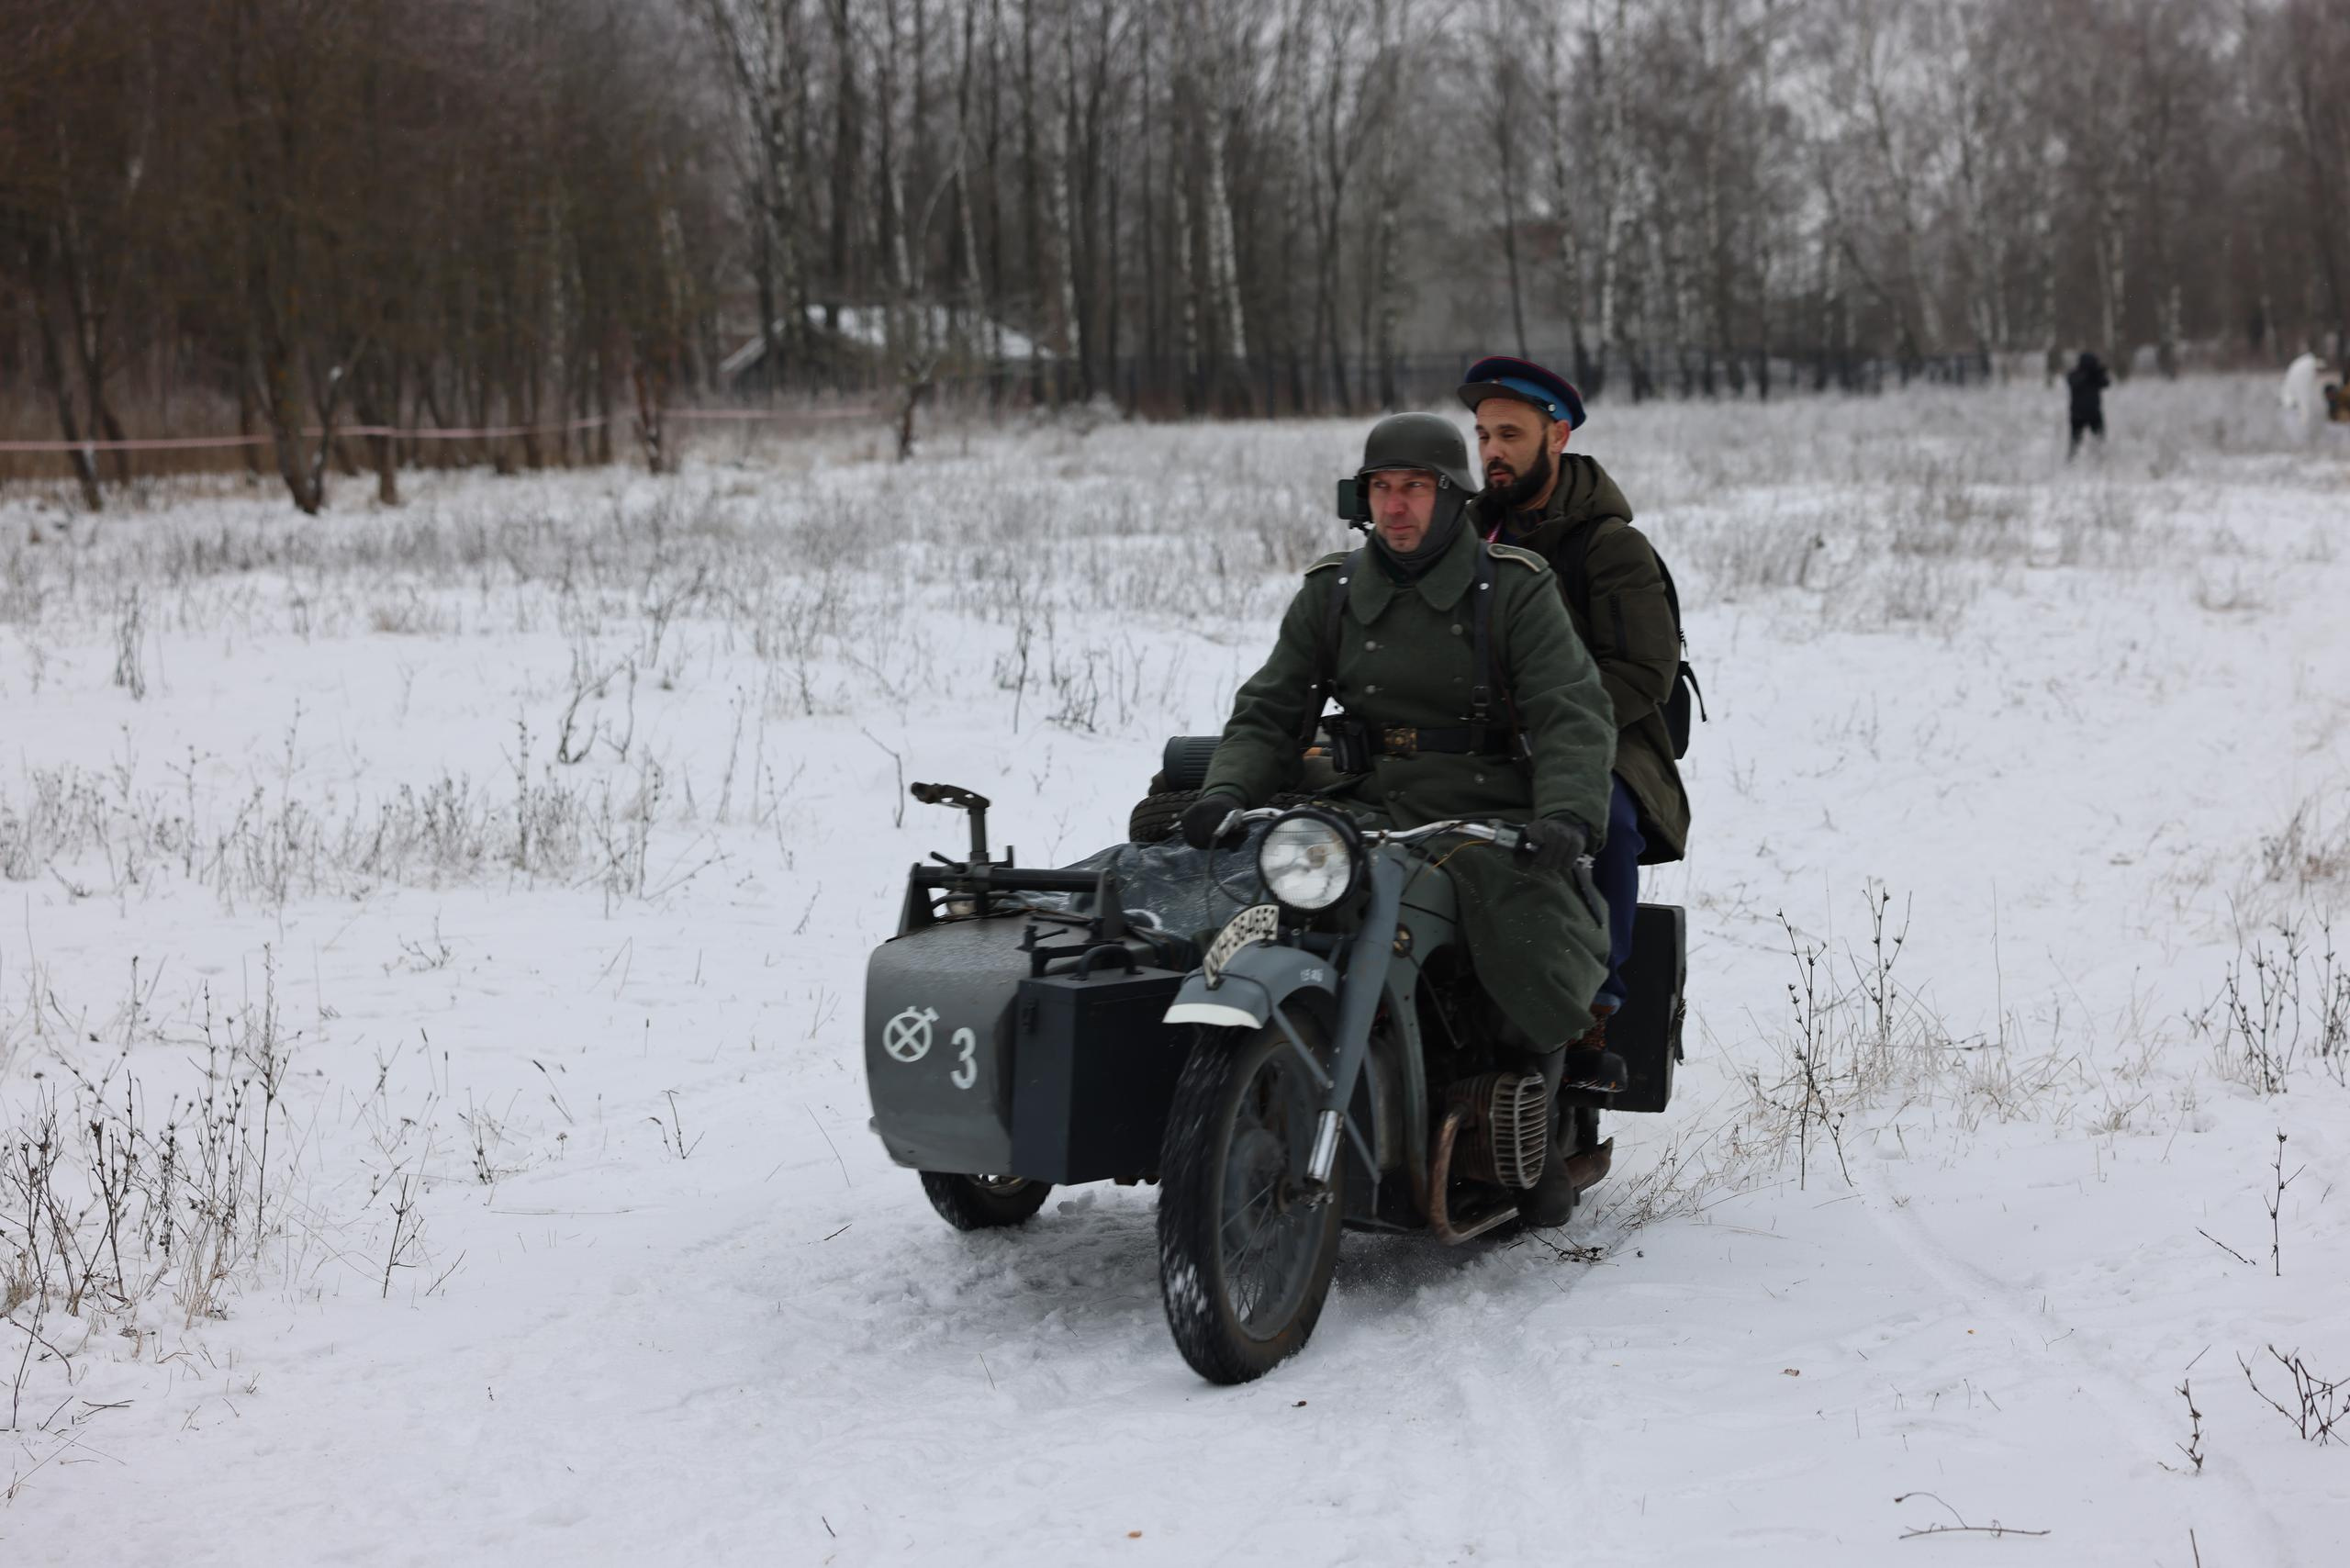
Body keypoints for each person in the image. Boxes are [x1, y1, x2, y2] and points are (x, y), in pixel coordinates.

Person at [1181, 412, 1617, 1223]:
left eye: (1415, 488)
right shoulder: (1334, 592)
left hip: (1482, 810)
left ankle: (1540, 1129)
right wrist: (1227, 791)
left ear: (1452, 498)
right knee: (1240, 884)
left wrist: (1564, 814)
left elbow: (1570, 712)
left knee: (1528, 919)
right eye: (1382, 489)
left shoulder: (1513, 588)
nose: (1397, 507)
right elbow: (1271, 710)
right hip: (1364, 801)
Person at [1456, 356, 1690, 1079]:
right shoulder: (1461, 539)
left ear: (1557, 437)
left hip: (1604, 741)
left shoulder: (1608, 545)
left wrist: (1549, 725)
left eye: (1510, 435)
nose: (1492, 452)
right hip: (1471, 733)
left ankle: (1596, 1012)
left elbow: (1643, 671)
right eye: (1483, 435)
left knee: (1606, 825)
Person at [2066, 351, 2110, 456]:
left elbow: (2106, 383)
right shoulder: (2075, 374)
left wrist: (2099, 373)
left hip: (2093, 413)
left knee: (2100, 439)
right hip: (2078, 414)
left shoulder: (2095, 375)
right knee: (2075, 442)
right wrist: (2087, 374)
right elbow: (2074, 383)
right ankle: (2072, 461)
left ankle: (2100, 458)